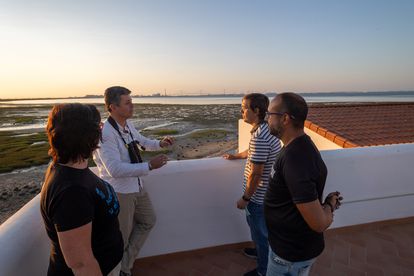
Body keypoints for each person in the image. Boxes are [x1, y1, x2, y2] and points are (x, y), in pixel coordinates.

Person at [93, 86, 174, 276]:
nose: (132, 106)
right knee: (120, 237)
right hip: (120, 192)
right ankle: (120, 271)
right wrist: (149, 166)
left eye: (131, 101)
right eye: (127, 102)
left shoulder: (127, 125)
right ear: (113, 107)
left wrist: (160, 143)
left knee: (148, 220)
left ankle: (125, 266)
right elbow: (114, 169)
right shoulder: (106, 134)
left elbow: (141, 141)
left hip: (136, 185)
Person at [40, 103, 123, 276]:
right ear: (87, 135)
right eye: (98, 126)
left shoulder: (70, 167)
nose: (101, 130)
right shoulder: (71, 192)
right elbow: (81, 264)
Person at [264, 92, 343, 276]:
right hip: (289, 250)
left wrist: (329, 205)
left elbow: (319, 223)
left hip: (289, 255)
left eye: (270, 114)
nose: (267, 119)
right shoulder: (298, 145)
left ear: (285, 119)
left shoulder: (295, 159)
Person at [223, 93, 281, 276]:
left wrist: (245, 198)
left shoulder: (260, 136)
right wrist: (236, 156)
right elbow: (255, 152)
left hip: (258, 197)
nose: (241, 111)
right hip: (266, 195)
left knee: (261, 234)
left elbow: (256, 174)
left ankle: (264, 271)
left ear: (256, 111)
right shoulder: (265, 130)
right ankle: (259, 253)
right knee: (259, 231)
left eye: (244, 107)